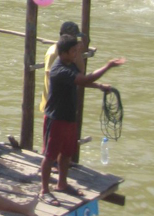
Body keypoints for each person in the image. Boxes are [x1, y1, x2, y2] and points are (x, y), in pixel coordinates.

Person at [40, 34, 124, 205]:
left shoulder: (69, 65)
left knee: (67, 154)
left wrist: (100, 86)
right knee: (50, 156)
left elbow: (81, 81)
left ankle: (62, 184)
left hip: (69, 118)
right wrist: (108, 66)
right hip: (56, 119)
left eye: (77, 51)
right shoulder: (59, 70)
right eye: (73, 51)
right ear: (63, 53)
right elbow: (85, 79)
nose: (76, 54)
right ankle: (44, 190)